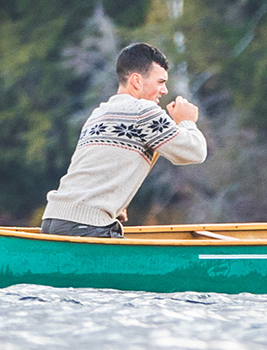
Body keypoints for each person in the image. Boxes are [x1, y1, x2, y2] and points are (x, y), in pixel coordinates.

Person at [41, 41, 207, 238]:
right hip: (85, 226)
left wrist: (117, 204)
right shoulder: (143, 111)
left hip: (53, 220)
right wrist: (186, 121)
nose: (165, 91)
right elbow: (195, 152)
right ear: (137, 81)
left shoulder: (99, 113)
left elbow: (97, 166)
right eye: (161, 82)